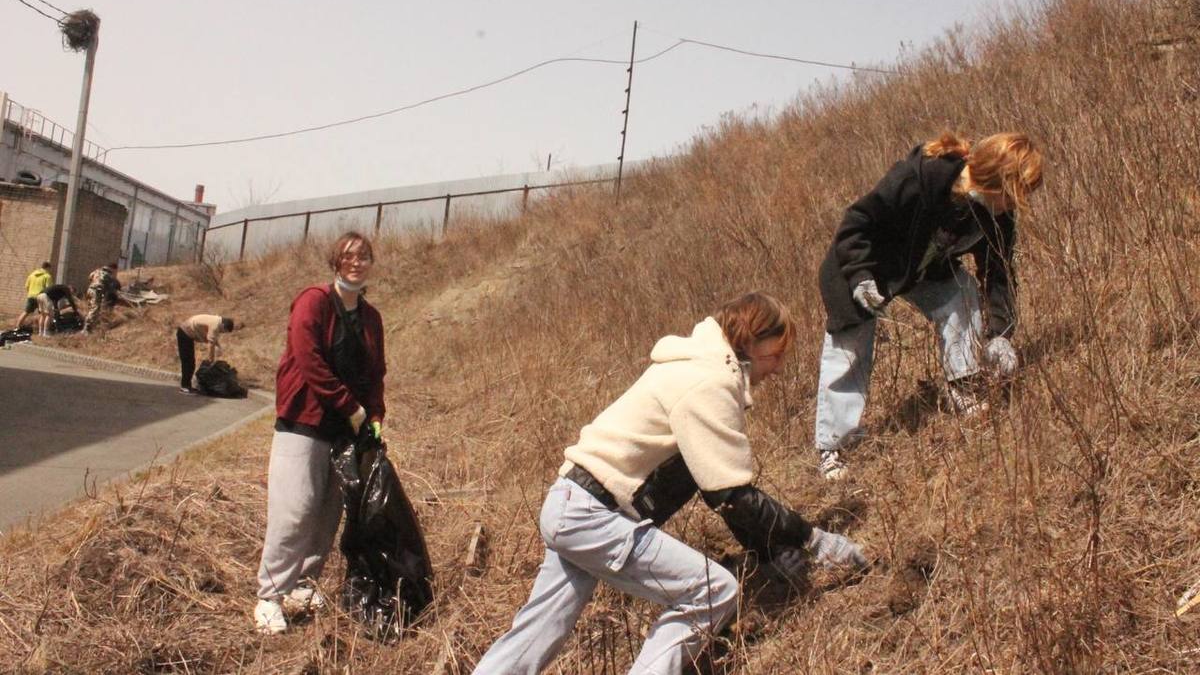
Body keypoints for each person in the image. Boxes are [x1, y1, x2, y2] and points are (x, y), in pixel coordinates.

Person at [473, 293, 867, 675]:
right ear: (750, 338)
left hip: (568, 504)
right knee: (713, 591)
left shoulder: (692, 365)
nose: (779, 367)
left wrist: (764, 553)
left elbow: (719, 490)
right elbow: (730, 493)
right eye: (777, 353)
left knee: (539, 630)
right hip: (592, 514)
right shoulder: (709, 381)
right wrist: (815, 540)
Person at [813, 132, 1044, 481]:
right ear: (998, 179)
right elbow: (856, 222)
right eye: (1016, 192)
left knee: (961, 293)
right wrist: (861, 278)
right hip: (859, 264)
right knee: (850, 349)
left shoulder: (998, 215)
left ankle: (962, 386)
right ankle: (833, 447)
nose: (1018, 203)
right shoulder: (925, 176)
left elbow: (998, 273)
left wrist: (1001, 334)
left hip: (921, 270)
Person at [254, 232, 387, 634]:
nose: (357, 262)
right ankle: (269, 595)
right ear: (335, 261)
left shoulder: (371, 318)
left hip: (345, 432)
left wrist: (375, 414)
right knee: (295, 509)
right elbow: (308, 359)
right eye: (349, 256)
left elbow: (375, 372)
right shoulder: (313, 301)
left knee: (327, 513)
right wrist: (352, 407)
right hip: (304, 422)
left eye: (364, 256)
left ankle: (302, 586)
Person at [176, 314, 236, 394]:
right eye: (224, 331)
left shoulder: (217, 321)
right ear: (223, 326)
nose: (222, 332)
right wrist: (210, 361)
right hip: (184, 333)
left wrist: (219, 347)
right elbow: (211, 345)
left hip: (187, 334)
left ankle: (187, 386)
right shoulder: (215, 325)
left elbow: (213, 340)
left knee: (190, 362)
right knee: (188, 362)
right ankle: (184, 387)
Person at [82, 262, 121, 334]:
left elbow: (89, 278)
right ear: (113, 269)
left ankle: (92, 325)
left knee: (92, 308)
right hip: (96, 291)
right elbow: (111, 287)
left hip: (90, 290)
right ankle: (87, 328)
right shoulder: (109, 275)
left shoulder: (96, 271)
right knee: (95, 308)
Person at [15, 261, 52, 331]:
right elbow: (48, 288)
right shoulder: (47, 276)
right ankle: (40, 330)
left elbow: (26, 286)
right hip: (41, 297)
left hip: (31, 296)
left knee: (26, 312)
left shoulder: (31, 275)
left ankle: (17, 326)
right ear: (48, 268)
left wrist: (30, 293)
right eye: (50, 269)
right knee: (42, 314)